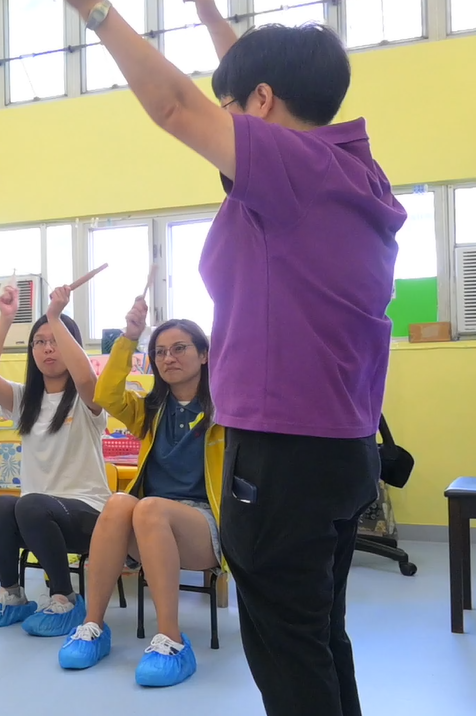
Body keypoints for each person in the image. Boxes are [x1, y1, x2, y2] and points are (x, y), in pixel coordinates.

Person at [60, 1, 406, 711]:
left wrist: (96, 13)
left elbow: (173, 105)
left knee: (288, 653)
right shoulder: (353, 170)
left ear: (264, 103)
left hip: (282, 456)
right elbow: (251, 85)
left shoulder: (293, 172)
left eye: (235, 106)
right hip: (344, 451)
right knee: (317, 635)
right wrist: (211, 17)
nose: (226, 124)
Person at [60, 296, 223, 687]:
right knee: (119, 503)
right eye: (160, 352)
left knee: (149, 507)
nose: (168, 358)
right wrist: (130, 338)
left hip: (204, 527)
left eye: (179, 348)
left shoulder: (227, 410)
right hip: (150, 524)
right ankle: (92, 627)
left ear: (204, 355)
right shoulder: (152, 410)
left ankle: (172, 640)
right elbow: (106, 395)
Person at [0, 285, 110, 637]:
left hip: (87, 514)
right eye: (39, 342)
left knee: (30, 504)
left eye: (56, 341)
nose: (48, 348)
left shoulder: (88, 399)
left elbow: (86, 377)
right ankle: (12, 595)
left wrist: (54, 316)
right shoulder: (23, 399)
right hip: (36, 518)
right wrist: (6, 318)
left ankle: (65, 599)